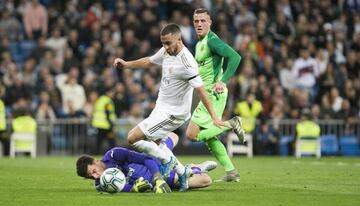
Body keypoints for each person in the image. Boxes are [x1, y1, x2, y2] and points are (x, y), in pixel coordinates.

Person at [113, 23, 223, 191]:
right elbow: (149, 61)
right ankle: (183, 171)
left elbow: (200, 91)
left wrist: (214, 116)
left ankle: (172, 164)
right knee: (155, 147)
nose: (165, 47)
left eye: (168, 43)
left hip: (173, 113)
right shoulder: (166, 51)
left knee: (133, 137)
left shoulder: (187, 63)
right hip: (161, 108)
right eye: (163, 43)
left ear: (179, 39)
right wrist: (126, 64)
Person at [185, 8, 244, 182]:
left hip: (214, 94)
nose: (199, 24)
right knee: (210, 138)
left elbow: (235, 57)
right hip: (207, 94)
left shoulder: (212, 41)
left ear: (210, 23)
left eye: (203, 21)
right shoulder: (199, 44)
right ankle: (231, 172)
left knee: (191, 134)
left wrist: (223, 80)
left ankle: (231, 123)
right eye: (196, 21)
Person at [76, 133, 217, 193]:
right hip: (157, 179)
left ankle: (190, 167)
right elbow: (124, 188)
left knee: (173, 136)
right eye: (90, 177)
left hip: (156, 168)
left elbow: (145, 158)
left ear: (95, 161)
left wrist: (157, 177)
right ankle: (192, 168)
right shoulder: (102, 184)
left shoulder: (114, 155)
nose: (95, 177)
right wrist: (134, 189)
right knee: (206, 180)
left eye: (93, 171)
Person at [91, 86, 117, 154]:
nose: (113, 94)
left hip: (99, 124)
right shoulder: (108, 101)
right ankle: (115, 154)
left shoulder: (100, 99)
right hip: (106, 125)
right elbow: (107, 113)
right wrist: (112, 126)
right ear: (108, 93)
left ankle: (95, 154)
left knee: (99, 141)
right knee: (111, 141)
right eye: (112, 92)